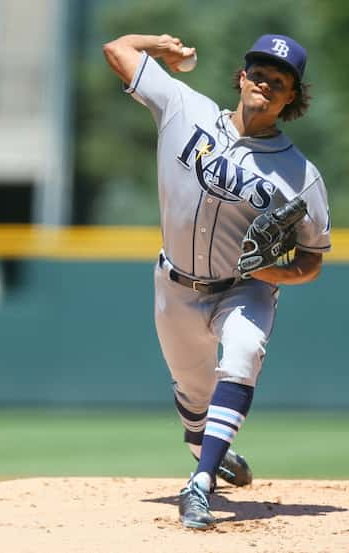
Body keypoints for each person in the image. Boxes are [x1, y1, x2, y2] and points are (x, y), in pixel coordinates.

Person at [103, 33, 331, 529]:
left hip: (243, 289)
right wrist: (161, 46)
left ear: (292, 97)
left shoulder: (302, 176)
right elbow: (117, 50)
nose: (266, 85)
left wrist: (270, 272)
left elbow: (312, 258)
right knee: (192, 392)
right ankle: (206, 446)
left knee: (245, 352)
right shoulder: (185, 108)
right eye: (259, 74)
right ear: (242, 76)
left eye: (280, 82)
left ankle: (200, 483)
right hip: (175, 285)